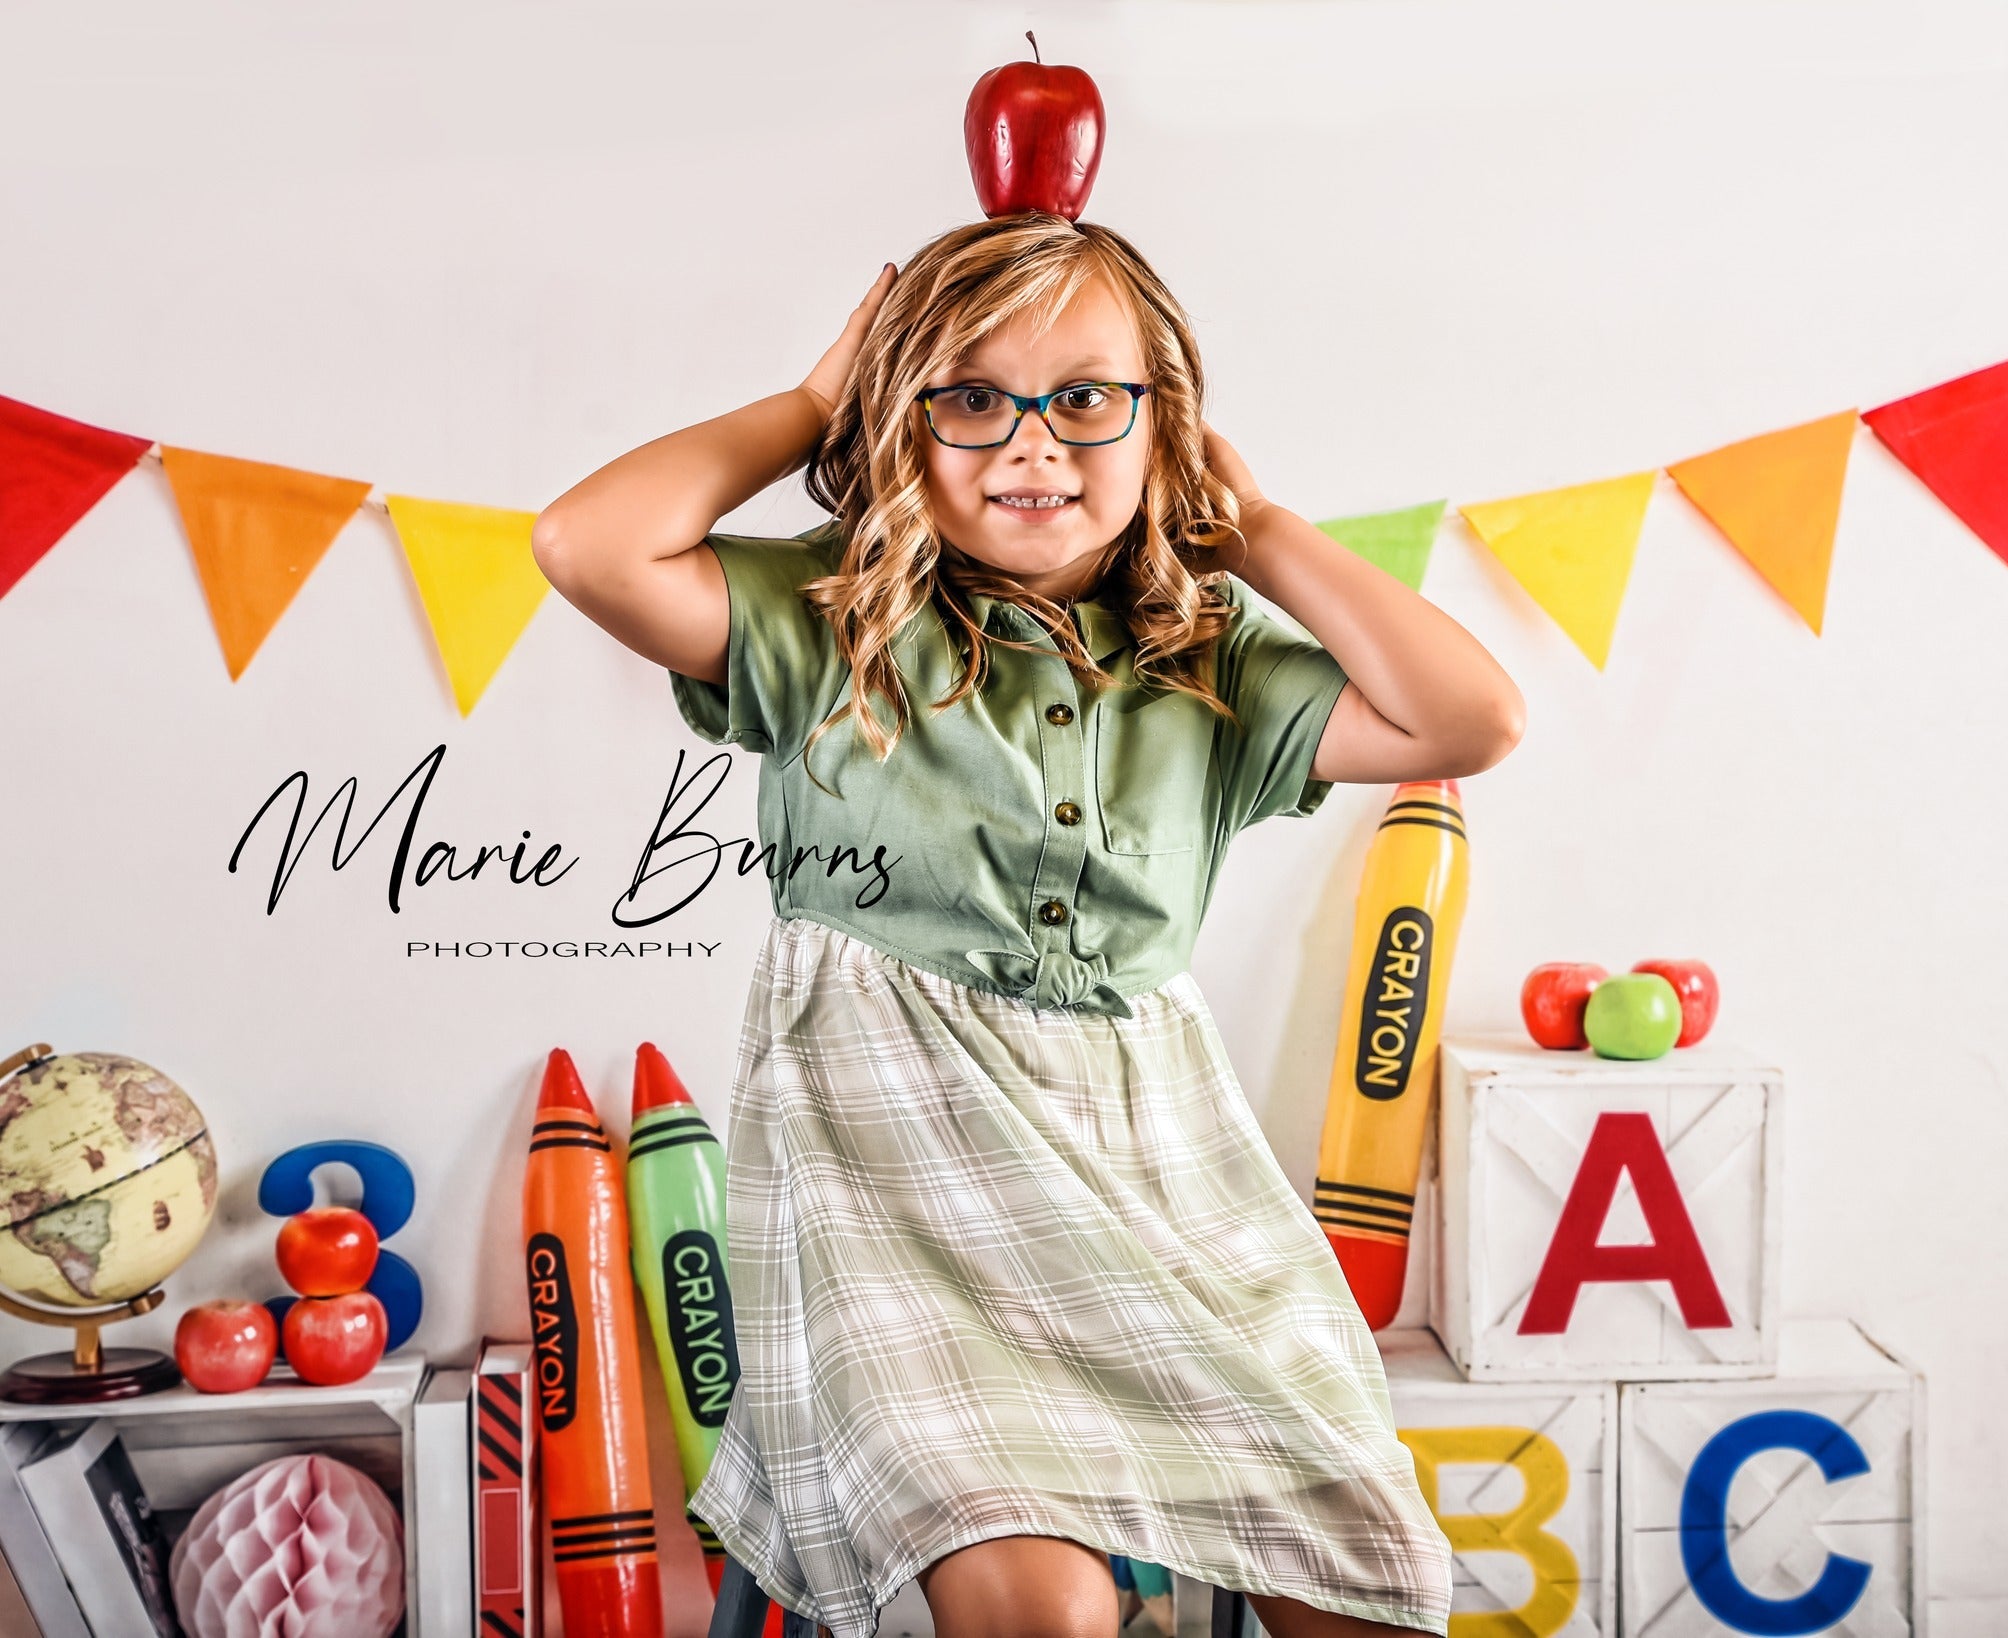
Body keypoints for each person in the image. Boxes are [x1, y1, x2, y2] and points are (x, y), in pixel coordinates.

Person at [534, 213, 1524, 1638]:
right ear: (902, 417)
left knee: (1361, 1568)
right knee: (1031, 1602)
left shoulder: (1209, 658)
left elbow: (1473, 716)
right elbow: (588, 543)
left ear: (1157, 423)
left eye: (1085, 398)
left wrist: (1261, 535)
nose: (1031, 444)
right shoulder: (833, 625)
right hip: (895, 1181)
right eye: (970, 397)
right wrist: (810, 404)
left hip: (1160, 1176)